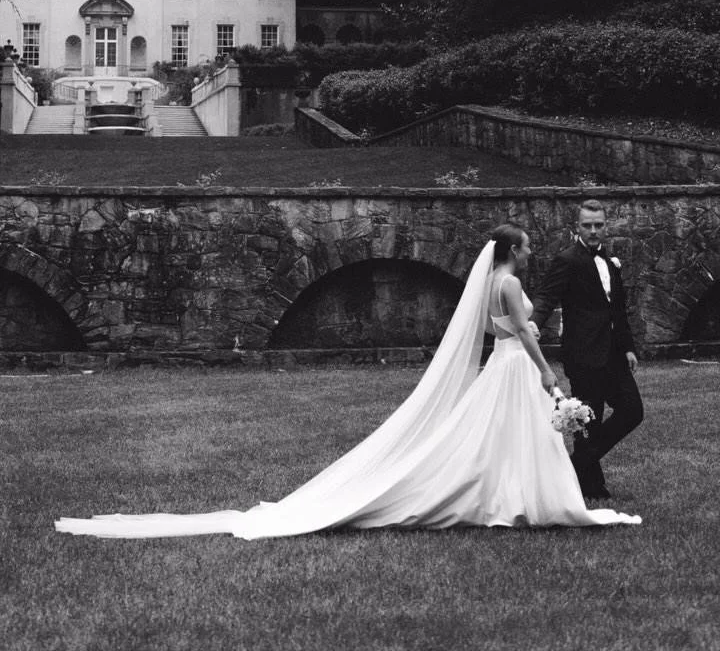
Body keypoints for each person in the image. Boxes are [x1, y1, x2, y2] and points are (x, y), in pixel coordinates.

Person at [55, 225, 640, 540]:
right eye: (528, 247)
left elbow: (497, 328)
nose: (533, 252)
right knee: (512, 432)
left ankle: (514, 492)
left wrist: (523, 340)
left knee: (498, 433)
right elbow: (523, 336)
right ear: (513, 251)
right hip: (515, 366)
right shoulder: (509, 284)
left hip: (500, 365)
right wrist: (545, 370)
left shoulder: (490, 284)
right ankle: (523, 495)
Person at [531, 200, 644, 501]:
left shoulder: (610, 262)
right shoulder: (567, 260)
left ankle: (574, 466)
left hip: (614, 355)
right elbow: (546, 296)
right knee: (587, 423)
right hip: (582, 355)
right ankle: (591, 487)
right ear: (577, 228)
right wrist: (533, 323)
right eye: (587, 225)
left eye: (598, 225)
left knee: (632, 411)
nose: (593, 231)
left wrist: (628, 348)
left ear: (606, 226)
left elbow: (617, 310)